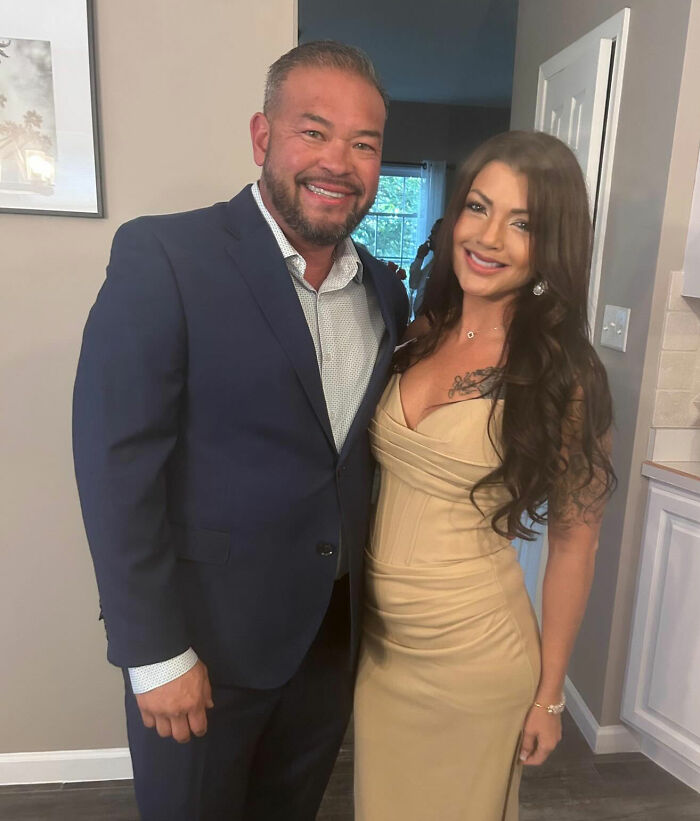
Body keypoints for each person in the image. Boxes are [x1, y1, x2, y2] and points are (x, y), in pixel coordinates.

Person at [73, 41, 408, 821]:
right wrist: (152, 651)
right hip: (204, 647)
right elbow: (115, 464)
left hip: (330, 641)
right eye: (314, 131)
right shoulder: (167, 255)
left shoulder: (386, 291)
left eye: (364, 143)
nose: (340, 161)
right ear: (263, 138)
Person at [353, 130, 616, 820]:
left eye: (522, 222)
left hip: (476, 654)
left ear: (551, 245)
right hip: (382, 653)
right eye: (478, 206)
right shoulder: (416, 332)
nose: (490, 235)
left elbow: (574, 544)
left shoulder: (564, 374)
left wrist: (549, 695)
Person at [408, 217, 442, 315]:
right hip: (419, 320)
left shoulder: (448, 265)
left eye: (434, 233)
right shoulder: (431, 264)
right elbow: (413, 283)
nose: (430, 237)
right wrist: (419, 258)